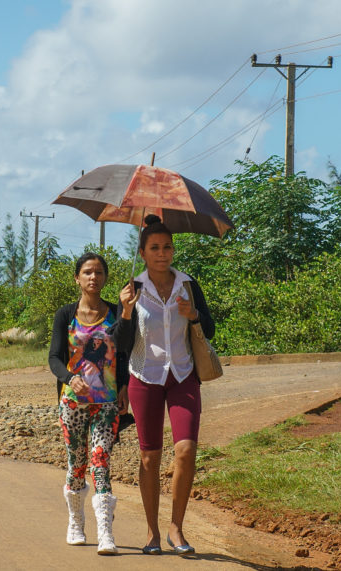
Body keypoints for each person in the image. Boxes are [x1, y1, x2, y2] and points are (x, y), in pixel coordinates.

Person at [114, 215, 214, 556]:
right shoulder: (132, 290)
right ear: (142, 252)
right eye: (154, 248)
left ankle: (176, 528)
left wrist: (194, 314)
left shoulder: (189, 285)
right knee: (149, 457)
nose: (162, 253)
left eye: (167, 247)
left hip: (183, 375)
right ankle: (152, 532)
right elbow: (122, 343)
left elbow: (210, 328)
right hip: (145, 376)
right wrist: (126, 312)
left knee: (186, 451)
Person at [48, 252, 128, 555]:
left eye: (98, 272)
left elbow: (125, 350)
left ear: (105, 277)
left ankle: (106, 533)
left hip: (106, 403)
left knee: (101, 462)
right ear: (77, 278)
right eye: (87, 272)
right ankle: (76, 522)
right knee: (77, 464)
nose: (93, 277)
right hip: (72, 405)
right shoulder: (65, 314)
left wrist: (125, 386)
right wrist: (70, 378)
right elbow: (54, 357)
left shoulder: (116, 312)